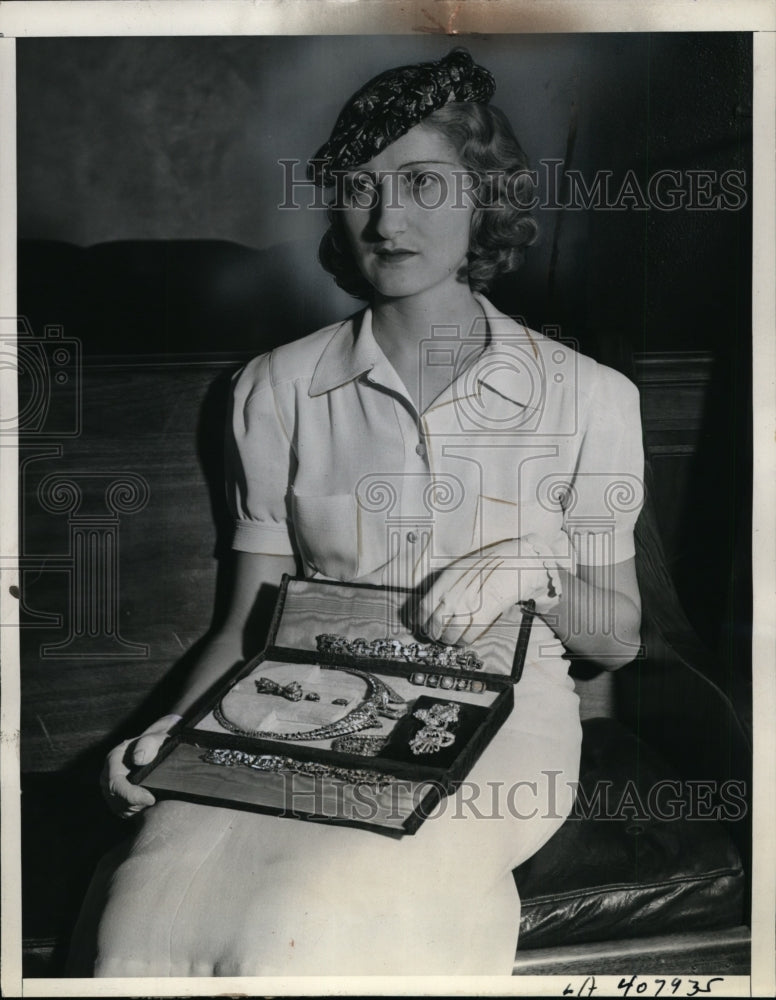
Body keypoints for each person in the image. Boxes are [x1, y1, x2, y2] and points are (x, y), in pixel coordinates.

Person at [68, 48, 644, 977]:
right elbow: (246, 627)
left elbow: (615, 638)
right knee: (147, 906)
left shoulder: (590, 395)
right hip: (302, 701)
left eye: (422, 182)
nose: (387, 218)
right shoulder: (275, 388)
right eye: (359, 187)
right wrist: (175, 733)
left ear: (483, 196)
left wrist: (532, 571)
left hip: (501, 716)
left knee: (310, 913)